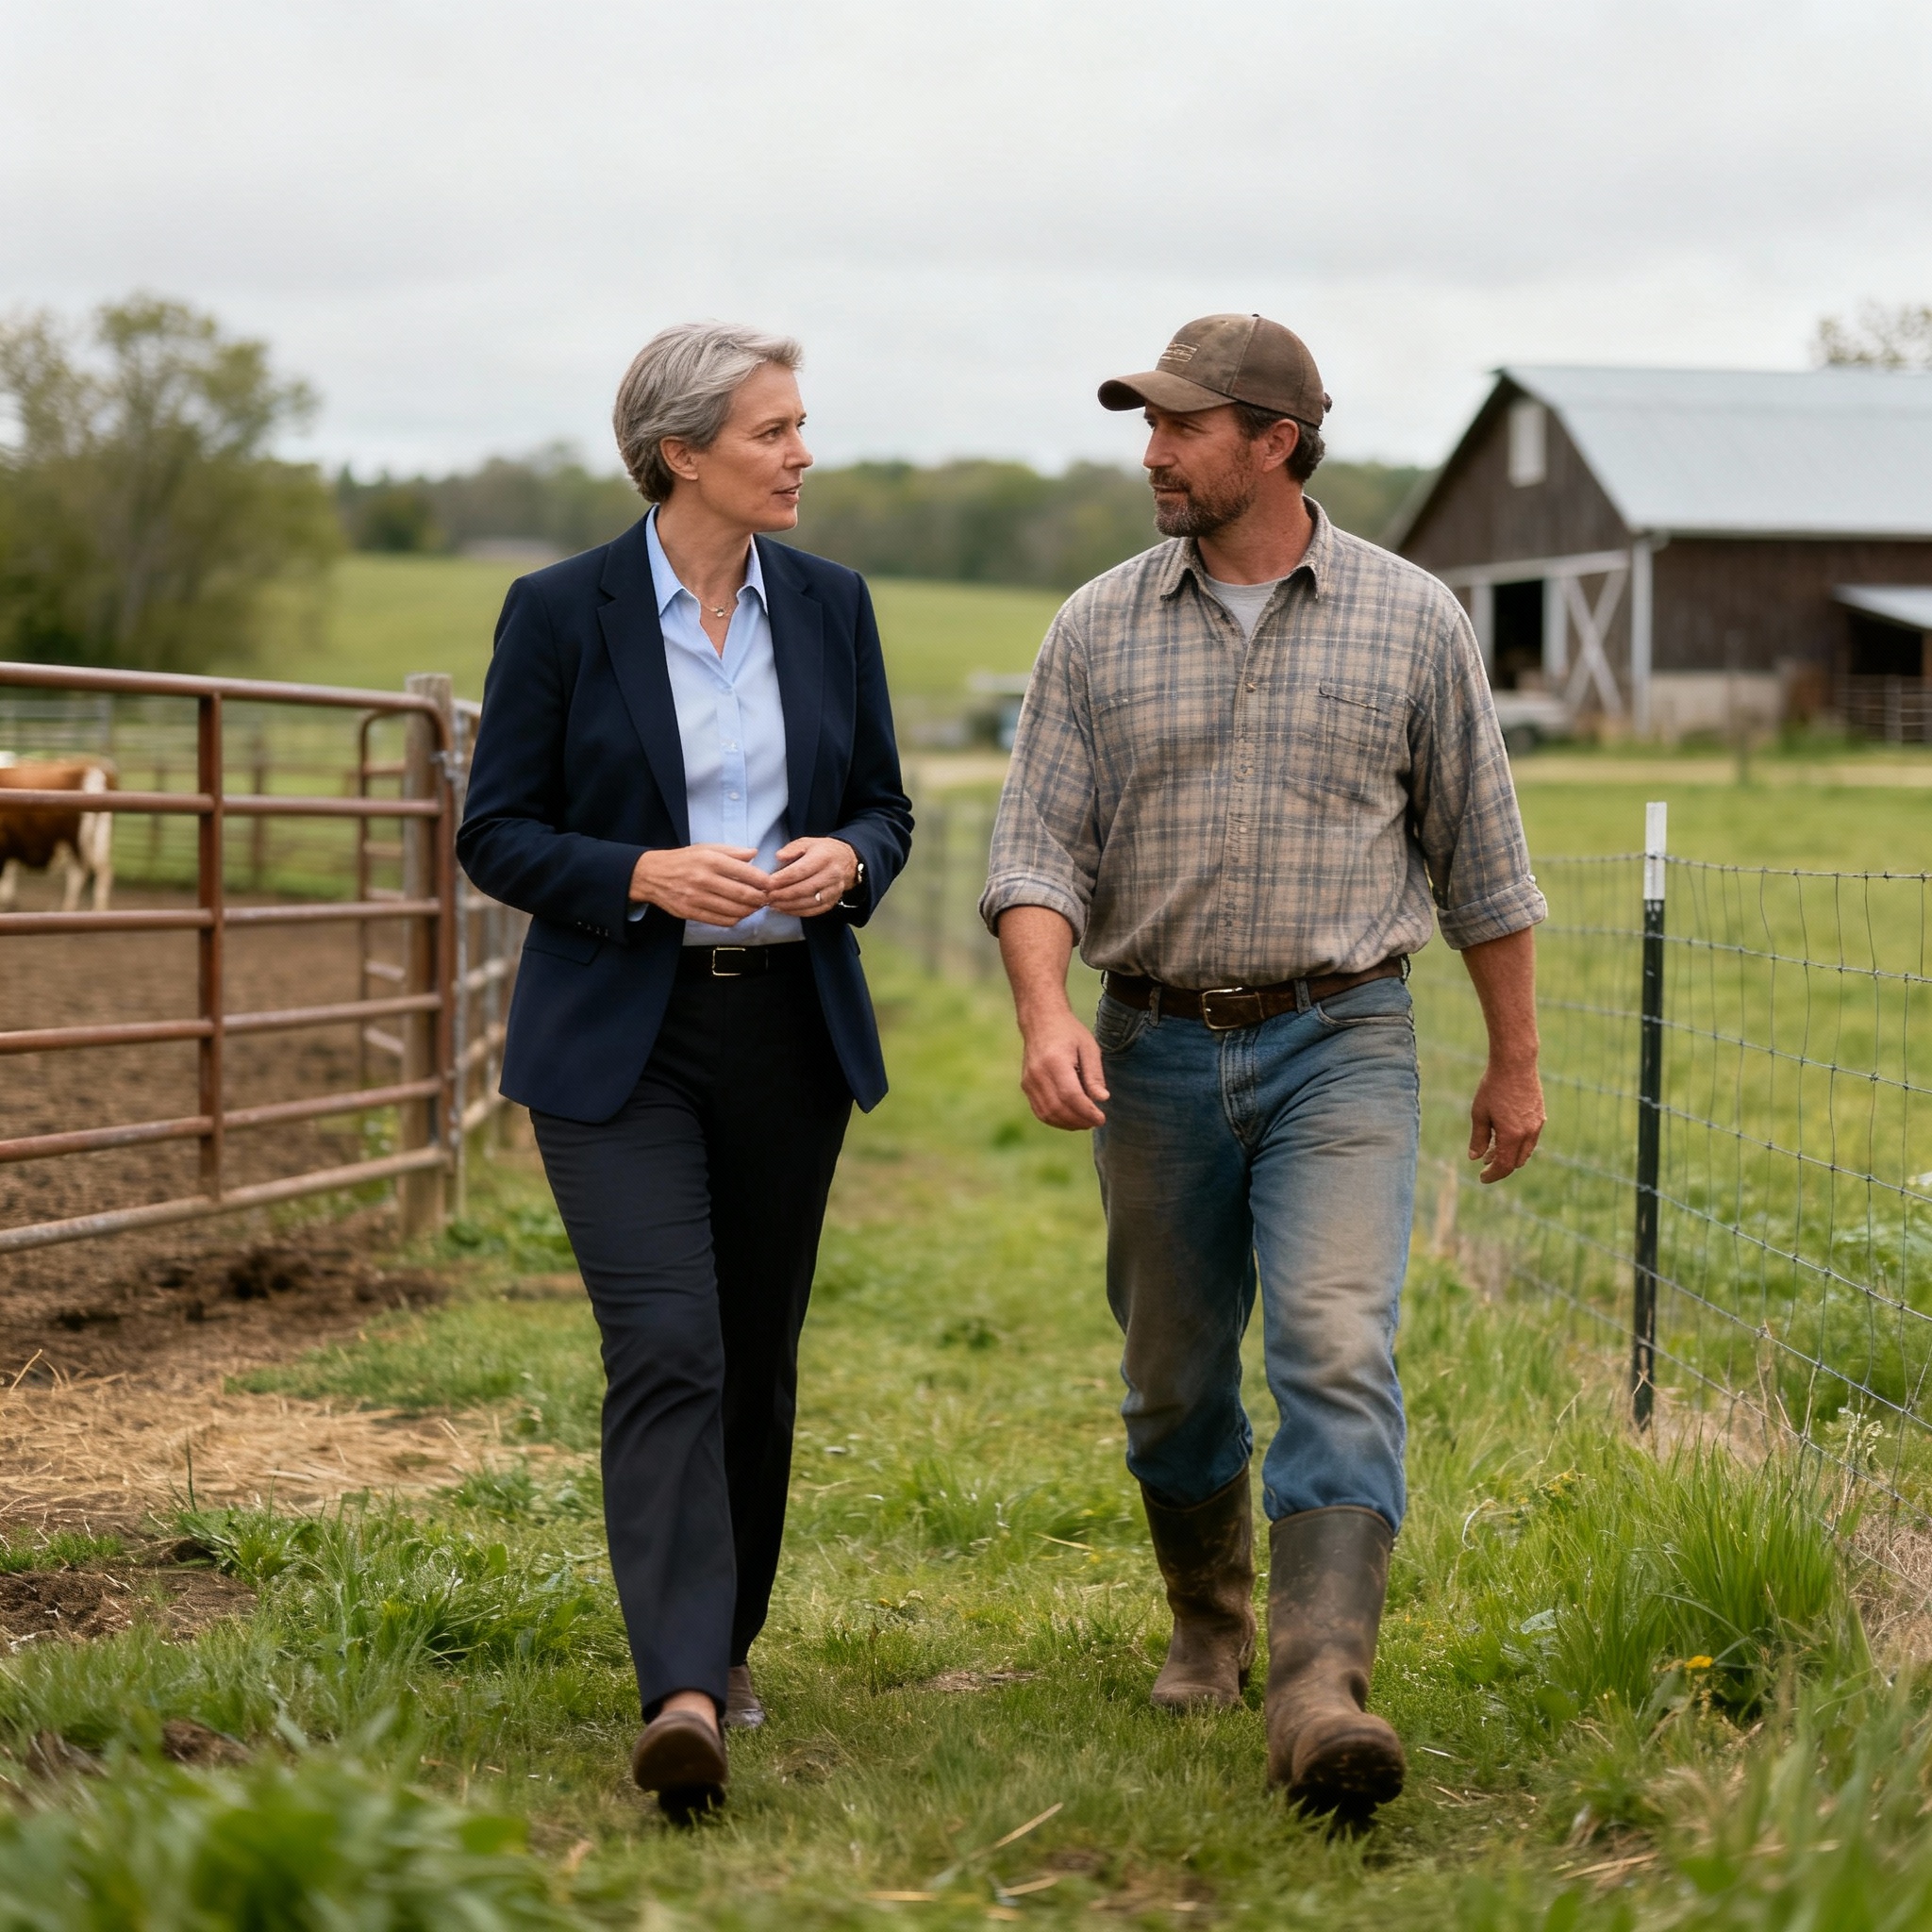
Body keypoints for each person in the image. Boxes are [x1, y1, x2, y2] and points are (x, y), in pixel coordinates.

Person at [980, 313, 1545, 1818]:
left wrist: (1515, 1064)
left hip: (1343, 1035)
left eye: (1180, 426)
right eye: (1147, 426)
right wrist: (1046, 1013)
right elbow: (1034, 848)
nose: (1152, 453)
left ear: (1276, 440)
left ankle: (1319, 1685)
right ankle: (1210, 1618)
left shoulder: (1414, 619)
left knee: (1336, 1342)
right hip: (1154, 1042)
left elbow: (1485, 863)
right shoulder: (1095, 626)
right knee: (1172, 1381)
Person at [458, 322, 912, 1818]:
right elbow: (497, 831)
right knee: (669, 1345)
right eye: (774, 431)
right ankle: (686, 1694)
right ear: (681, 455)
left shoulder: (835, 608)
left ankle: (728, 1639)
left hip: (790, 1032)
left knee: (755, 1361)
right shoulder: (560, 611)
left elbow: (886, 806)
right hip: (618, 1039)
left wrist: (854, 857)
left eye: (799, 426)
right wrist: (644, 871)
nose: (801, 455)